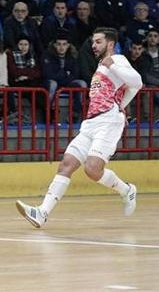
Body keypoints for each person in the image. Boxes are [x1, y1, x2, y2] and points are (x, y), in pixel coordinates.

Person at [16, 27, 143, 228]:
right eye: (93, 41)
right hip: (91, 122)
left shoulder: (117, 60)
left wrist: (119, 104)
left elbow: (137, 82)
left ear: (110, 44)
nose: (94, 45)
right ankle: (42, 213)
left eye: (98, 41)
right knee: (66, 163)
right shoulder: (101, 66)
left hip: (109, 122)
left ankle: (126, 189)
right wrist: (122, 103)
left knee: (92, 169)